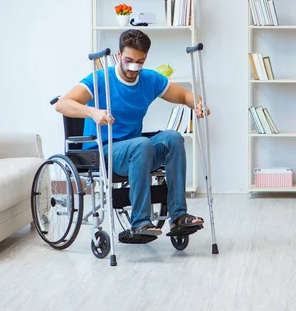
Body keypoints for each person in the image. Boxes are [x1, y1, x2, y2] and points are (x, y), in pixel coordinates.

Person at [55, 29, 207, 237]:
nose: (133, 67)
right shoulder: (101, 79)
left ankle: (179, 216)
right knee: (141, 144)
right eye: (128, 60)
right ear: (118, 55)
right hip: (103, 151)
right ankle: (140, 222)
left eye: (140, 61)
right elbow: (62, 104)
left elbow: (184, 95)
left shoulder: (149, 80)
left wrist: (197, 104)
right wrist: (92, 112)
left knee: (173, 138)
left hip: (137, 151)